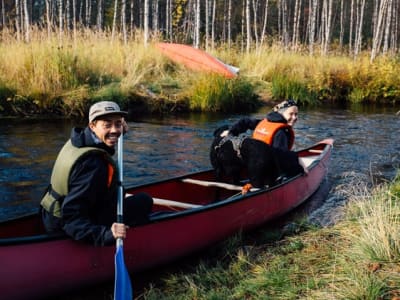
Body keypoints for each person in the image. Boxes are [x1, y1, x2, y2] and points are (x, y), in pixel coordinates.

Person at [40, 101, 153, 246]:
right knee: (144, 201)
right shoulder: (94, 165)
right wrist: (105, 235)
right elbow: (71, 217)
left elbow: (108, 133)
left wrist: (115, 130)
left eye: (118, 124)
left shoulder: (79, 139)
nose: (114, 130)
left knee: (123, 195)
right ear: (92, 125)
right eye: (107, 125)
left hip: (49, 215)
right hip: (64, 226)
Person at [224, 99, 308, 178]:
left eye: (296, 114)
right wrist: (299, 165)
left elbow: (245, 121)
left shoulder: (266, 121)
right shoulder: (281, 133)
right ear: (281, 114)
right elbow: (282, 158)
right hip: (266, 173)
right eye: (291, 114)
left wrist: (231, 132)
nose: (294, 117)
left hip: (251, 164)